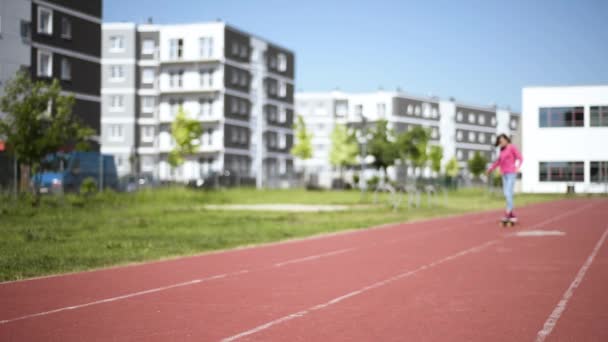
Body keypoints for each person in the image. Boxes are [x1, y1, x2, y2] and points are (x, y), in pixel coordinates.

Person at [486, 134, 523, 221]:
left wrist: (517, 167)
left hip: (511, 173)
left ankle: (508, 212)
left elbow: (520, 158)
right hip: (504, 174)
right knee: (508, 194)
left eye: (502, 140)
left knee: (507, 193)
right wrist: (490, 169)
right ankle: (511, 214)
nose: (501, 142)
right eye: (499, 141)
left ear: (506, 140)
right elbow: (498, 161)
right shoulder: (501, 150)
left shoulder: (511, 147)